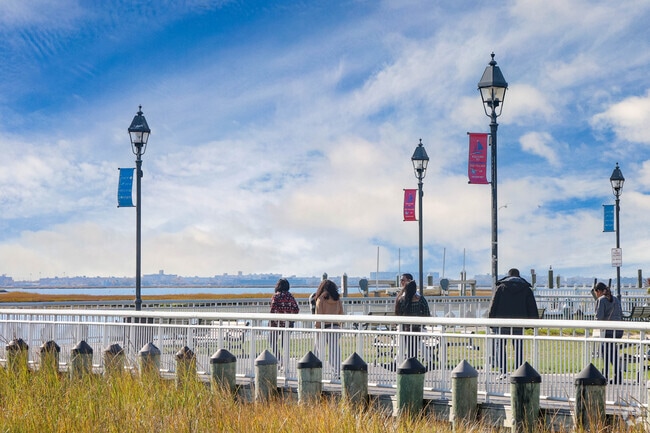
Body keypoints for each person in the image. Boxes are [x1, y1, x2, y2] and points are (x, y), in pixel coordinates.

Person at [488, 268, 538, 378]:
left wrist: (491, 321)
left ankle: (503, 371)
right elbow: (532, 306)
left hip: (502, 322)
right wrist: (534, 323)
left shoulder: (500, 287)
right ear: (518, 276)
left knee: (500, 346)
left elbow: (493, 305)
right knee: (518, 346)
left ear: (508, 275)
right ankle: (518, 371)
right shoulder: (526, 289)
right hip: (519, 322)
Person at [314, 279, 344, 378]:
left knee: (318, 350)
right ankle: (337, 372)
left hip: (323, 327)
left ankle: (317, 371)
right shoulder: (337, 299)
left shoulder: (321, 299)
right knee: (334, 351)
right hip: (335, 327)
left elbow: (319, 315)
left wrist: (317, 328)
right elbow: (341, 314)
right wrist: (341, 326)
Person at [594, 282, 623, 384]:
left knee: (605, 352)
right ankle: (613, 375)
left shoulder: (601, 300)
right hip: (618, 330)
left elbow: (599, 317)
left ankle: (609, 375)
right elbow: (620, 313)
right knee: (611, 352)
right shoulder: (615, 299)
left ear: (598, 291)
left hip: (607, 331)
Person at [394, 279, 431, 360]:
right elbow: (427, 313)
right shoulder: (420, 299)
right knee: (415, 346)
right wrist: (422, 324)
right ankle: (418, 361)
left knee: (403, 346)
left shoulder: (401, 300)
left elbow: (398, 313)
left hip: (404, 328)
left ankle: (398, 362)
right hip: (417, 328)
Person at [269, 278, 299, 368]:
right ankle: (286, 364)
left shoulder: (276, 296)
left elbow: (272, 310)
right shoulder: (290, 296)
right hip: (288, 324)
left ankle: (280, 359)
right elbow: (296, 309)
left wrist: (272, 321)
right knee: (284, 344)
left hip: (276, 324)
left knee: (272, 341)